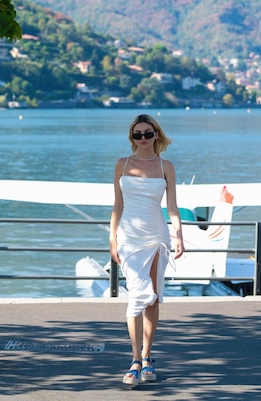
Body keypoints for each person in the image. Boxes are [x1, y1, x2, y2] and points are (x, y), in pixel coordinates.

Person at [109, 114, 185, 386]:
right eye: (137, 135)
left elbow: (173, 207)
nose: (143, 139)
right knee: (138, 295)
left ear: (156, 135)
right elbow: (117, 206)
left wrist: (179, 235)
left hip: (157, 236)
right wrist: (112, 240)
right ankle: (134, 359)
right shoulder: (122, 164)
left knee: (153, 297)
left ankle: (148, 356)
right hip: (129, 237)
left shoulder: (166, 166)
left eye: (147, 133)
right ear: (132, 138)